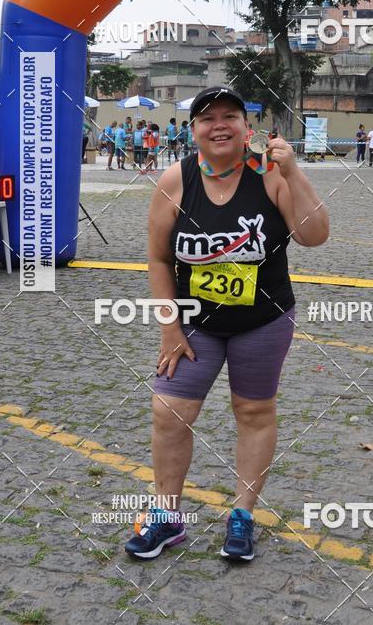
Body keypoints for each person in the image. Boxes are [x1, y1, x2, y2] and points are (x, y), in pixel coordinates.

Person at [124, 86, 329, 563]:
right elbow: (158, 259)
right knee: (169, 410)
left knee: (253, 412)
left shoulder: (270, 175)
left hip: (263, 320)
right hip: (194, 322)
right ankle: (167, 517)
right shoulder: (175, 180)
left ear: (246, 127)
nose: (219, 125)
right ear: (193, 129)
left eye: (229, 116)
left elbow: (314, 235)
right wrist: (170, 327)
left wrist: (294, 172)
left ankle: (242, 516)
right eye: (207, 117)